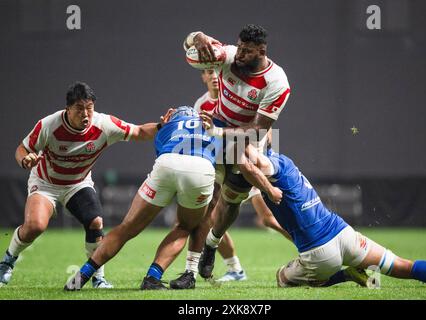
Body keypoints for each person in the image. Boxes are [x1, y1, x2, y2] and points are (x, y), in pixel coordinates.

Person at [64, 106, 283, 291]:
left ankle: (80, 278)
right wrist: (268, 188)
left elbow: (159, 150)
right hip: (200, 170)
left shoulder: (168, 125)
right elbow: (242, 159)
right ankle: (152, 277)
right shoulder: (215, 124)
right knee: (185, 226)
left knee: (127, 227)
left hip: (166, 163)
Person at [0, 81, 168, 289]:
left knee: (96, 222)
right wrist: (25, 160)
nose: (86, 114)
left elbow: (140, 132)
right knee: (35, 226)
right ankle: (8, 261)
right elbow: (22, 149)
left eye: (89, 108)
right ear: (68, 109)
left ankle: (99, 278)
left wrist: (161, 126)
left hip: (78, 184)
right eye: (79, 109)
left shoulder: (104, 124)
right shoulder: (49, 125)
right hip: (46, 183)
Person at [233, 143, 426, 288]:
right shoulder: (285, 161)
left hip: (319, 254)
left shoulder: (268, 165)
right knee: (405, 266)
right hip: (343, 233)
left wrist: (223, 130)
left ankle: (346, 275)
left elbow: (245, 156)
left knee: (281, 278)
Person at [183, 24, 291, 283]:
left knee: (232, 202)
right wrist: (196, 37)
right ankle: (189, 271)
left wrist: (219, 133)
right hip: (217, 131)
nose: (240, 54)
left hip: (250, 142)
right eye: (239, 47)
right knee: (203, 202)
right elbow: (189, 52)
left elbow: (257, 131)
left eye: (247, 51)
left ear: (261, 51)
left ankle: (213, 242)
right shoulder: (229, 55)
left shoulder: (277, 82)